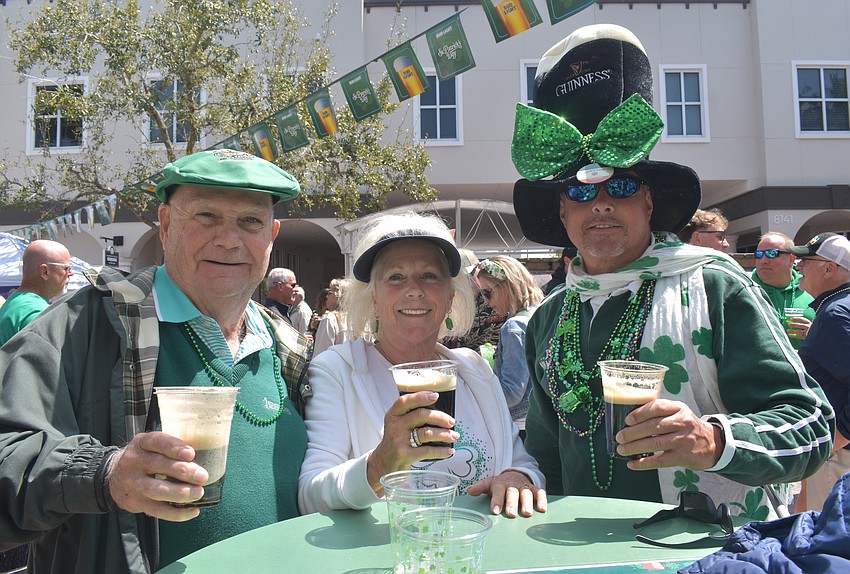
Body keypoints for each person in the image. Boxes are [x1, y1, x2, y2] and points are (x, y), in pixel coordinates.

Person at [511, 24, 833, 519]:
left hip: (710, 551)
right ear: (561, 212)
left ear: (648, 200)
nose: (599, 205)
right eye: (579, 191)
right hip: (581, 553)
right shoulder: (549, 317)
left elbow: (812, 428)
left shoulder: (714, 284)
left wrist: (714, 440)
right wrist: (522, 476)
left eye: (619, 188)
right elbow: (545, 455)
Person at [0, 150, 311, 573]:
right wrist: (105, 475)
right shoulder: (85, 324)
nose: (229, 239)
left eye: (250, 222)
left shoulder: (287, 345)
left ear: (271, 236)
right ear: (165, 225)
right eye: (206, 216)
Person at [298, 212, 547, 519]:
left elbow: (522, 463)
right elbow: (310, 496)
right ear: (373, 297)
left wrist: (519, 478)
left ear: (450, 295)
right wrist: (377, 465)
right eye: (396, 277)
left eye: (430, 276)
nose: (414, 289)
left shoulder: (473, 369)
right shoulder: (338, 369)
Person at [790, 232, 850, 511]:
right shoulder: (837, 308)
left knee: (828, 547)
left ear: (830, 269)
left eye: (806, 260)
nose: (797, 265)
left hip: (839, 456)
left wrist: (838, 437)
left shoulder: (834, 313)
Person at [474, 256, 543, 437]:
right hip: (540, 421)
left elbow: (512, 393)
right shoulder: (540, 313)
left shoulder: (514, 327)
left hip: (519, 426)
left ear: (507, 285)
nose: (486, 301)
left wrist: (476, 396)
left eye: (487, 292)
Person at [0, 239, 73, 346]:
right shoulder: (37, 312)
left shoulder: (14, 301)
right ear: (45, 272)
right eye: (66, 268)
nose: (71, 273)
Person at [751, 232, 814, 350]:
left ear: (791, 259)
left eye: (772, 254)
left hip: (804, 366)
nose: (763, 260)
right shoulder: (745, 289)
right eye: (759, 254)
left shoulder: (811, 289)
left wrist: (816, 335)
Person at [312, 278, 347, 357]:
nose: (327, 297)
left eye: (330, 293)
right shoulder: (361, 321)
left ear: (338, 295)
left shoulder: (329, 319)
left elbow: (321, 356)